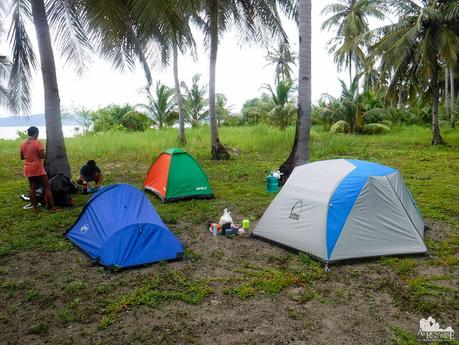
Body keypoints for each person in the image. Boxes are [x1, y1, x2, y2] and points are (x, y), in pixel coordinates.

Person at [20, 126, 55, 211]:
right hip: (38, 168)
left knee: (32, 188)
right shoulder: (37, 142)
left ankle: (35, 208)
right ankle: (52, 207)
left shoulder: (23, 144)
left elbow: (21, 157)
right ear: (36, 133)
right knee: (47, 187)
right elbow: (42, 156)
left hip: (28, 168)